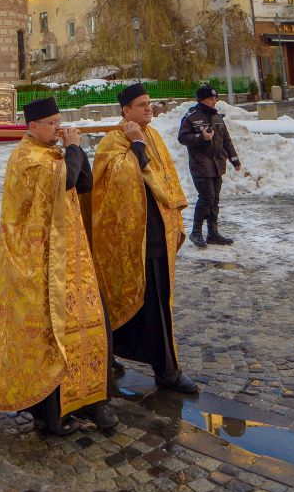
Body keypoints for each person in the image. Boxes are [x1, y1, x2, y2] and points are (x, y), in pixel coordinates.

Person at [0, 97, 117, 434]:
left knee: (90, 328)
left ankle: (93, 401)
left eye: (58, 121)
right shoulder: (26, 158)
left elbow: (82, 184)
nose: (57, 127)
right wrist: (72, 150)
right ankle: (52, 414)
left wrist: (75, 151)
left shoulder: (52, 154)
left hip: (73, 257)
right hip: (41, 262)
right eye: (51, 123)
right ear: (32, 126)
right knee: (52, 335)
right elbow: (63, 181)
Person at [91, 83, 197, 394]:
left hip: (157, 235)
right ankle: (164, 370)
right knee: (133, 303)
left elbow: (165, 178)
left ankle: (161, 365)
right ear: (126, 111)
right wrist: (136, 146)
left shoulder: (155, 137)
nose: (148, 108)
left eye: (149, 103)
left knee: (158, 304)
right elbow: (115, 182)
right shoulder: (112, 142)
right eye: (141, 104)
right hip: (130, 242)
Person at [177, 86, 239, 249]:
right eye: (212, 98)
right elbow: (182, 137)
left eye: (215, 98)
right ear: (203, 99)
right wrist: (200, 137)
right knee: (207, 198)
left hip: (217, 164)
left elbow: (226, 140)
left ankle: (213, 233)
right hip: (201, 165)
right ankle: (196, 232)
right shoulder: (191, 116)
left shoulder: (217, 117)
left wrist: (235, 160)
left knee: (215, 199)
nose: (215, 101)